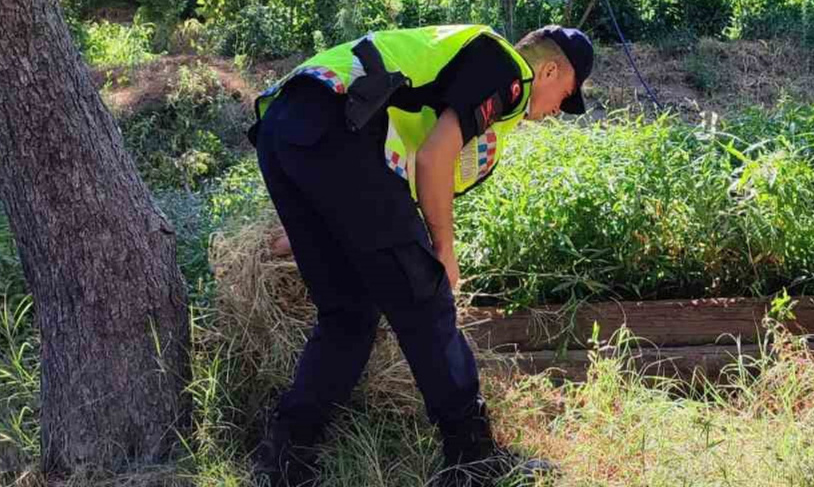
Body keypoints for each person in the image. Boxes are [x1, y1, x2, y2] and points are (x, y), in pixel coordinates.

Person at [247, 24, 594, 486]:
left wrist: (310, 229)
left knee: (348, 315)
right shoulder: (507, 69)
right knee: (426, 299)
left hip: (285, 129)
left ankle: (284, 457)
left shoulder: (452, 62)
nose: (556, 112)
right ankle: (473, 459)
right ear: (550, 70)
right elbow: (434, 159)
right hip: (333, 131)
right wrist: (443, 250)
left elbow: (381, 184)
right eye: (565, 97)